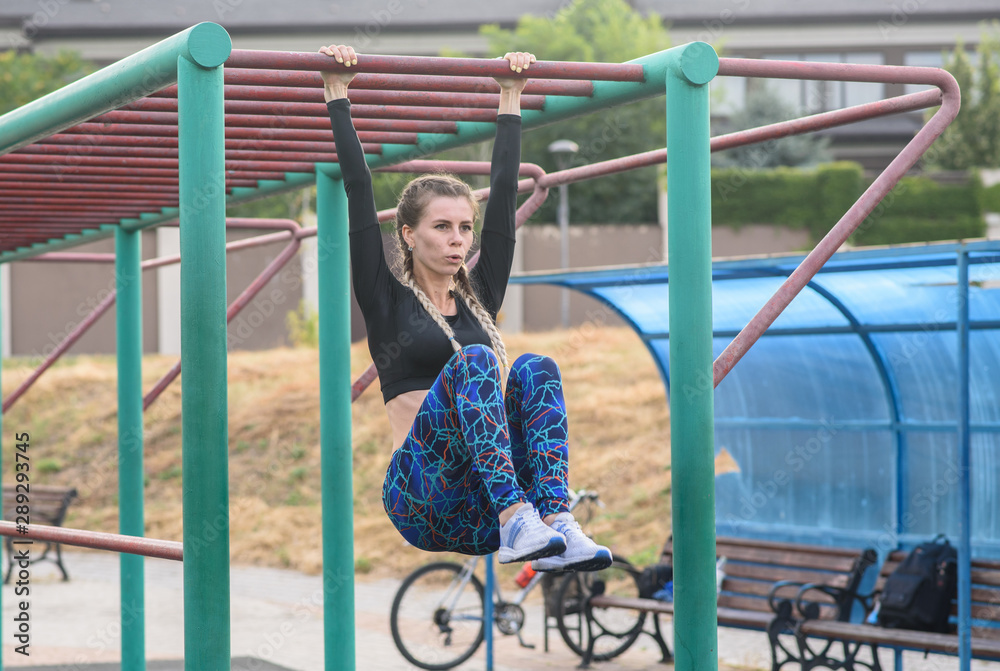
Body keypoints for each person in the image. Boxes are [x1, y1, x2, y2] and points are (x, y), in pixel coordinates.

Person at [319, 44, 612, 572]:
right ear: (407, 235)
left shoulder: (479, 300)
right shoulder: (385, 300)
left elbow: (502, 201)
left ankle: (552, 520)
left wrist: (510, 96)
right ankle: (519, 520)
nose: (457, 240)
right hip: (423, 498)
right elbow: (359, 192)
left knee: (535, 367)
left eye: (463, 228)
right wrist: (338, 94)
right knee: (474, 363)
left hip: (486, 502)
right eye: (441, 227)